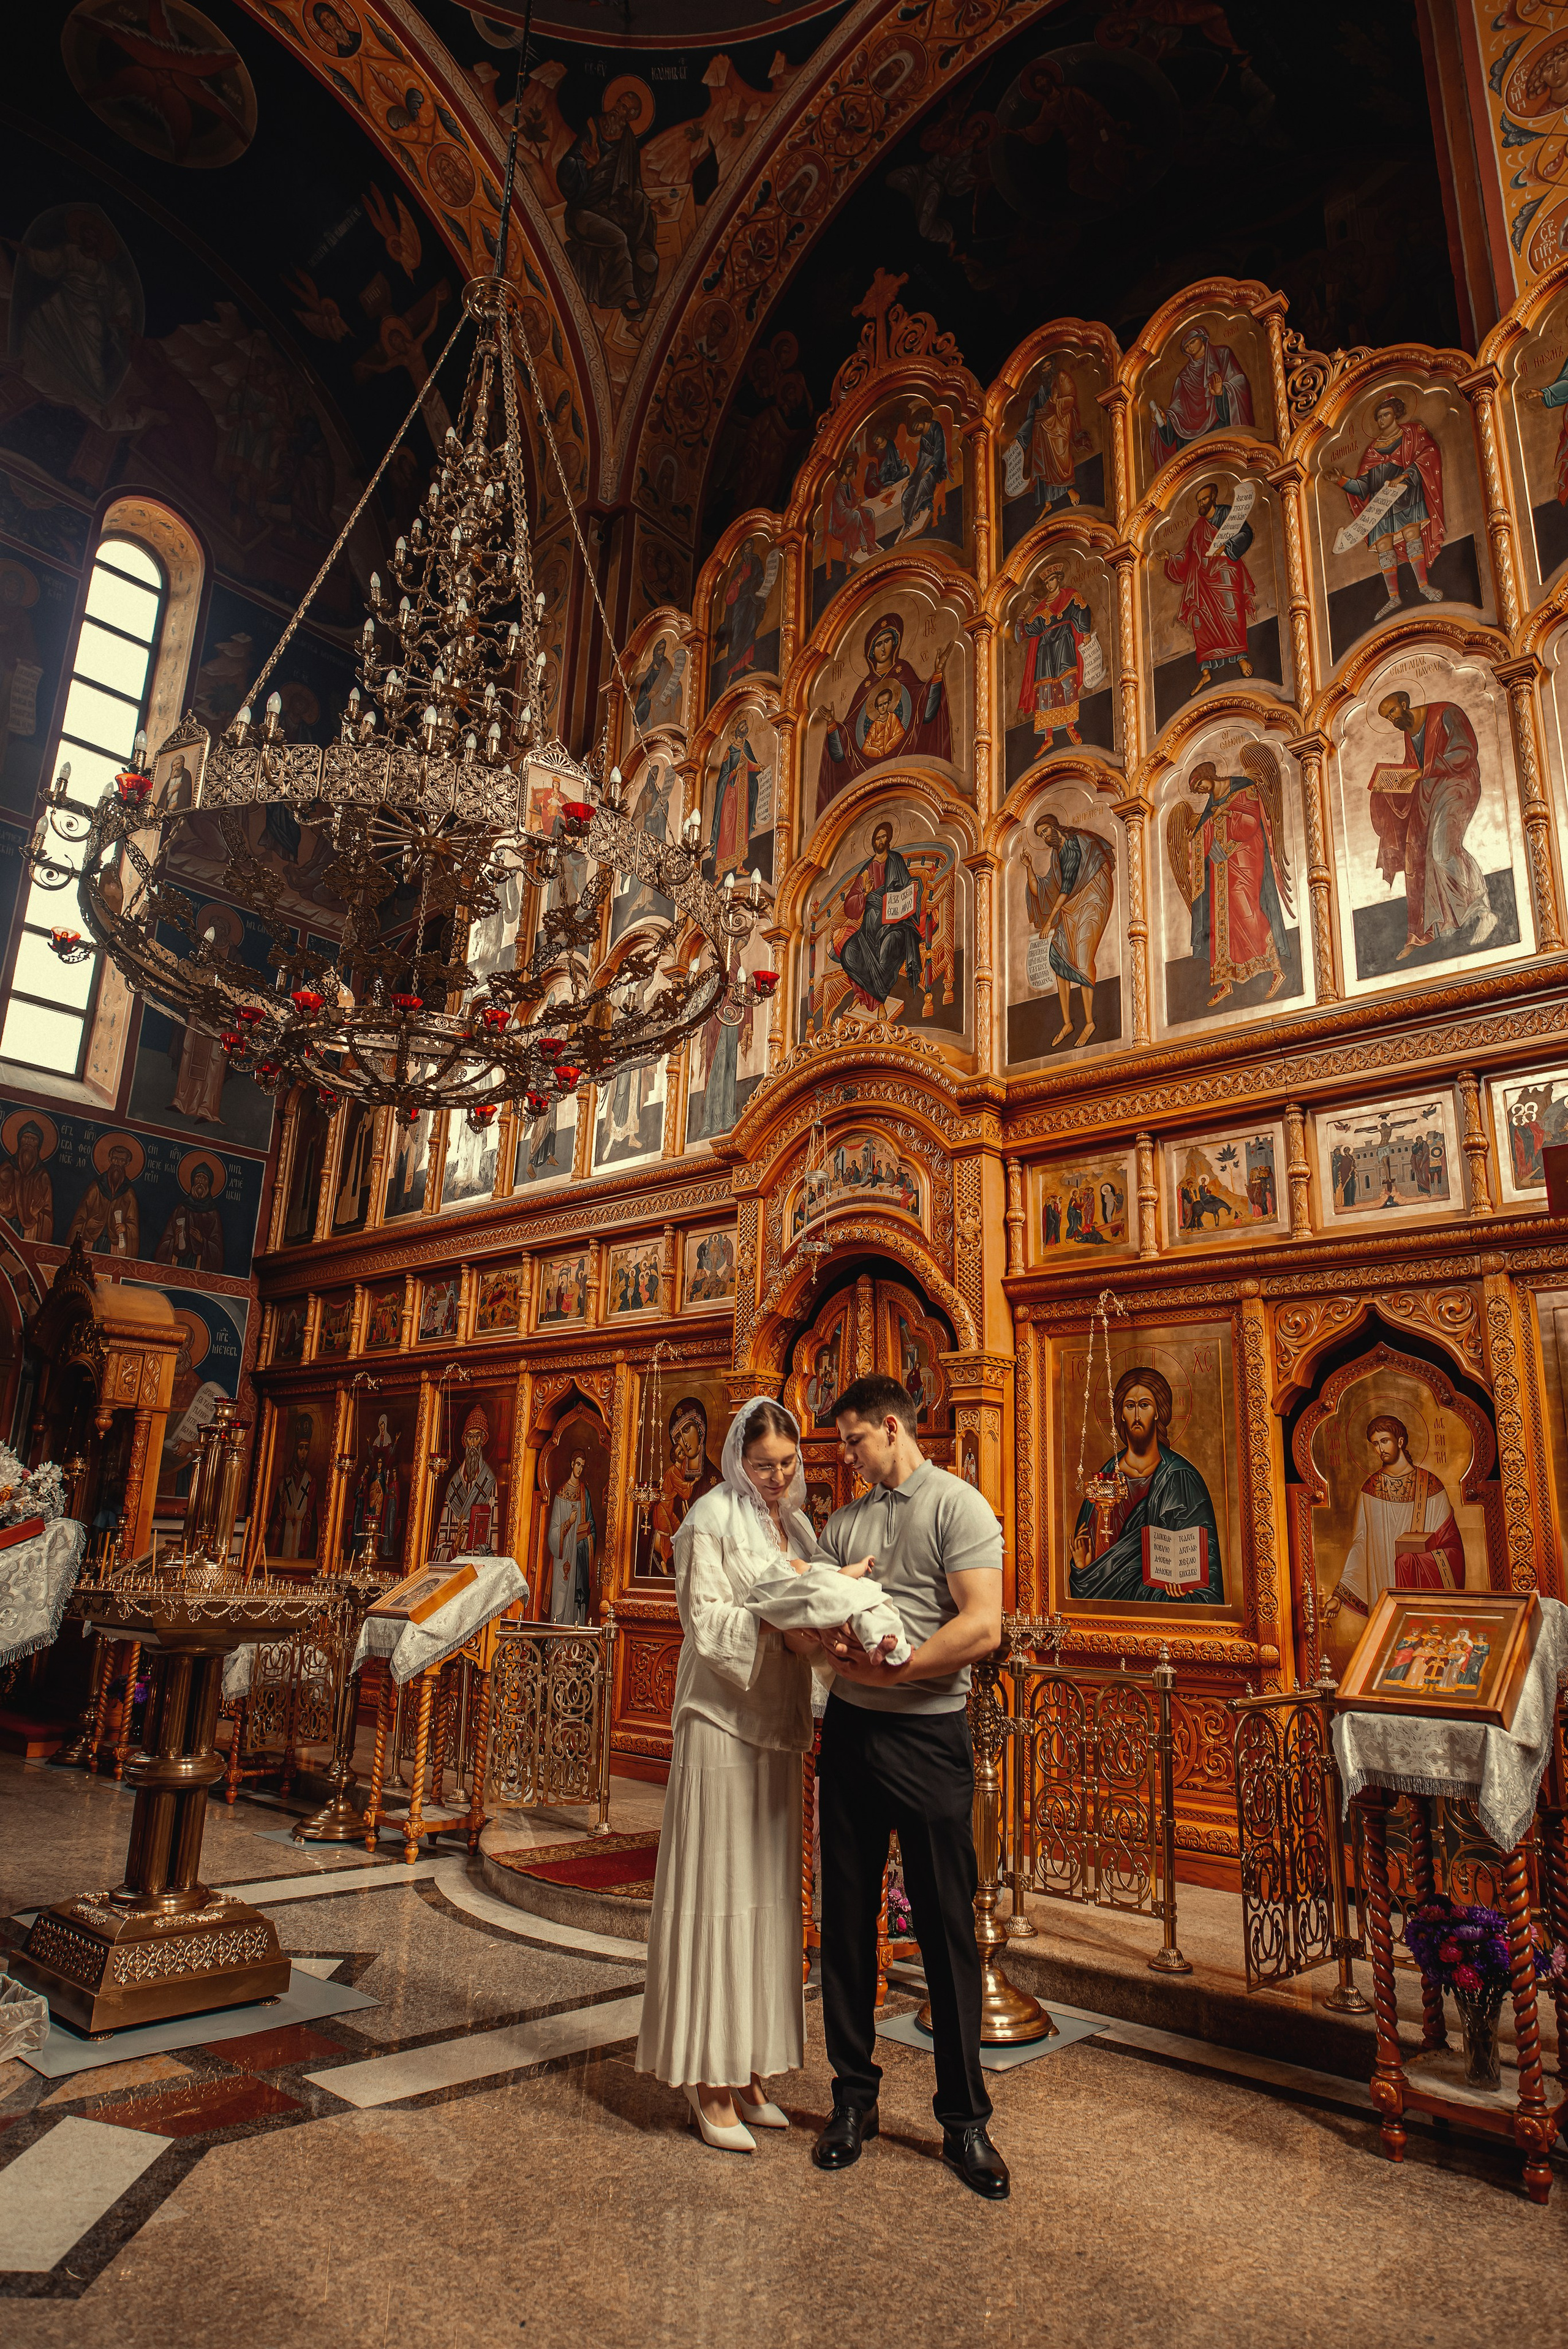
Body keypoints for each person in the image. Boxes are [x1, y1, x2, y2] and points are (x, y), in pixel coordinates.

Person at [809, 1372, 1010, 2200]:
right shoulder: (843, 1521)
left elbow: (983, 1624)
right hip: (851, 1734)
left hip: (929, 1734)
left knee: (944, 1929)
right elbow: (818, 1613)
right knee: (847, 1924)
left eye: (855, 1439)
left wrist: (898, 1669)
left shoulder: (958, 1505)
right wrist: (822, 1631)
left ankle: (964, 2119)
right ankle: (852, 2100)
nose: (848, 1457)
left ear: (892, 1426)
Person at [636, 1398, 831, 2151]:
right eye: (762, 1465)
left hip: (776, 1723)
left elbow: (805, 1611)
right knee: (718, 1891)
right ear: (734, 1461)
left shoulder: (799, 1525)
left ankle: (748, 2065)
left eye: (787, 1464)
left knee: (766, 1891)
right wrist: (782, 1618)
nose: (777, 1477)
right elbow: (707, 1622)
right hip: (720, 1718)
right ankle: (707, 2077)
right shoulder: (709, 1518)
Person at [1068, 1365, 1223, 1604]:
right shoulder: (1105, 1477)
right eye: (1130, 1406)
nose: (1137, 1416)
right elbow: (1090, 1574)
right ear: (1120, 1413)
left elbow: (1205, 1569)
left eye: (1144, 1405)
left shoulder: (1181, 1477)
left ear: (1158, 1412)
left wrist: (1186, 1585)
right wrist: (1082, 1569)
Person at [1368, 692, 1495, 960]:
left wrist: (1421, 772)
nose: (1392, 719)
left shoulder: (1446, 713)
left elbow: (1465, 752)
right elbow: (1413, 767)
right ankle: (1441, 925)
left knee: (1442, 850)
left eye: (1392, 712)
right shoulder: (1408, 731)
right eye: (1387, 717)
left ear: (1405, 703)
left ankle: (1483, 911)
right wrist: (1389, 783)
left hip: (1457, 785)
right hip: (1429, 794)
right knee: (1418, 856)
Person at [1324, 1415, 1466, 1623]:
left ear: (1400, 1441)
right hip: (1383, 1588)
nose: (1380, 1449)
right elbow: (1361, 1544)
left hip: (1420, 1594)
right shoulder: (1370, 1489)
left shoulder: (1430, 1486)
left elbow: (1451, 1546)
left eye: (1385, 1441)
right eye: (1375, 1444)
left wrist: (1411, 1562)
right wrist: (1339, 1595)